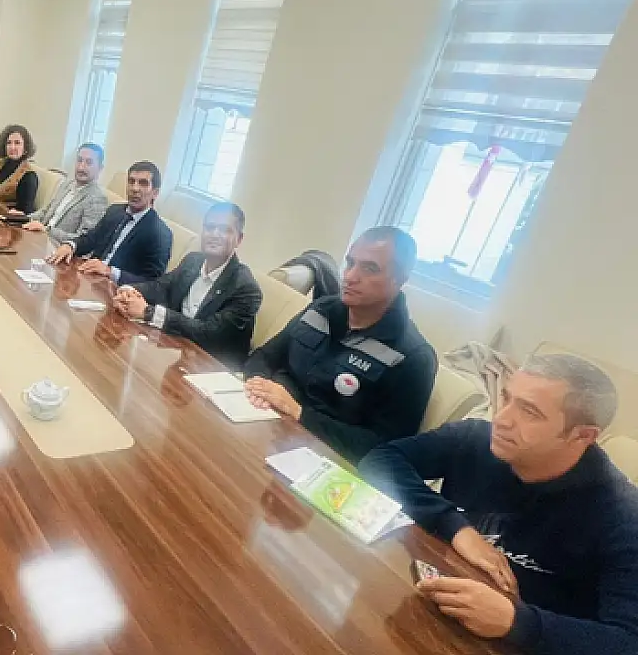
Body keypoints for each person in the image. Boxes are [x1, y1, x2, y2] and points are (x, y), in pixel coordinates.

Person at [361, 354, 638, 653]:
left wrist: (516, 622)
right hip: (437, 608)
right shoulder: (476, 439)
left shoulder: (622, 517)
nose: (502, 419)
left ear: (582, 435)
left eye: (529, 412)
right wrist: (456, 527)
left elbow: (627, 641)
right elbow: (379, 461)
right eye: (506, 398)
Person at [242, 226, 437, 462]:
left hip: (323, 457)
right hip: (267, 418)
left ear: (400, 279)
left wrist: (299, 413)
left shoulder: (412, 357)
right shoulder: (321, 309)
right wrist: (259, 387)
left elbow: (382, 449)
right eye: (350, 263)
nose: (351, 276)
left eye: (370, 268)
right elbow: (264, 356)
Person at [113, 202, 262, 368]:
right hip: (176, 351)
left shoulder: (246, 289)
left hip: (210, 368)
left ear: (239, 239)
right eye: (210, 227)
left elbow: (208, 333)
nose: (215, 234)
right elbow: (161, 287)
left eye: (224, 230)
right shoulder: (193, 261)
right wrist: (129, 292)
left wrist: (149, 312)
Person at [46, 161, 172, 285]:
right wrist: (71, 245)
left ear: (155, 193)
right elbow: (91, 238)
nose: (135, 188)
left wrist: (110, 272)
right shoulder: (115, 211)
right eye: (131, 181)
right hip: (89, 279)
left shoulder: (160, 233)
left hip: (116, 290)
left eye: (143, 183)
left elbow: (153, 283)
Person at [24, 143, 110, 245]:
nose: (81, 167)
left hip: (58, 247)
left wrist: (46, 230)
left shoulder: (97, 198)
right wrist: (23, 218)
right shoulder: (66, 184)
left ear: (100, 168)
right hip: (39, 238)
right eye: (79, 160)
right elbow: (45, 212)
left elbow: (83, 239)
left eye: (89, 162)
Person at [0, 124, 40, 214]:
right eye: (9, 143)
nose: (12, 147)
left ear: (25, 148)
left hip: (7, 220)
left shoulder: (29, 176)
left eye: (17, 143)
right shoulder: (4, 163)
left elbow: (26, 213)